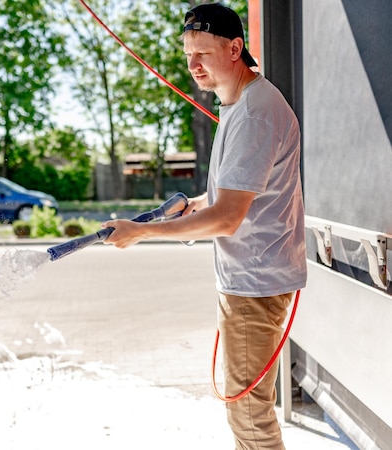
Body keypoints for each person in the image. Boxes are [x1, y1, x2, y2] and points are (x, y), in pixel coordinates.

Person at [102, 3, 307, 449]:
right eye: (188, 54)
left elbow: (230, 217)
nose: (193, 65)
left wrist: (139, 232)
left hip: (255, 285)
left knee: (250, 417)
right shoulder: (241, 103)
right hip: (252, 280)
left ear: (235, 48)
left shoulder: (254, 112)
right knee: (246, 411)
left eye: (203, 54)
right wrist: (197, 204)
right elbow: (244, 194)